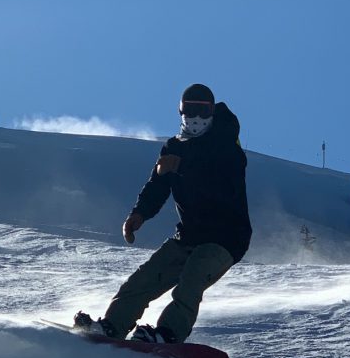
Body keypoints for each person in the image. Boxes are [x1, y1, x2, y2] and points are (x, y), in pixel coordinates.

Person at [75, 83, 252, 343]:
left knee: (192, 279)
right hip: (189, 235)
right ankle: (113, 325)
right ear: (180, 112)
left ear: (212, 113)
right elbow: (157, 185)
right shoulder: (174, 147)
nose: (195, 118)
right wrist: (139, 214)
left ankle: (168, 333)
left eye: (202, 112)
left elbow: (220, 179)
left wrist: (182, 166)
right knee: (143, 280)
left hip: (226, 238)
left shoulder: (226, 146)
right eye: (189, 110)